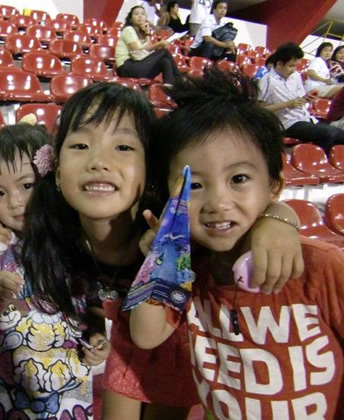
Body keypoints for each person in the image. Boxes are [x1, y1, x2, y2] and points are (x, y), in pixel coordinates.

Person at [0, 82, 304, 419]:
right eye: (80, 145)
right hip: (127, 346)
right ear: (58, 173)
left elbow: (247, 212)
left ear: (150, 171)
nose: (99, 161)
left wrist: (278, 219)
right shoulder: (56, 230)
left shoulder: (170, 223)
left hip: (179, 345)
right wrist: (1, 227)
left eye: (123, 146)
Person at [128, 68, 344, 419]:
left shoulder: (320, 266)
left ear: (274, 185)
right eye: (193, 185)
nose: (218, 202)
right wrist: (165, 249)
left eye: (239, 178)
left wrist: (279, 215)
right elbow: (146, 335)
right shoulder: (188, 272)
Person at [0, 122, 110, 419]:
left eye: (26, 185)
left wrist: (98, 338)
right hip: (6, 396)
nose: (14, 202)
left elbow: (93, 304)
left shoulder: (78, 242)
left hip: (68, 394)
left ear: (53, 178)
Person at [258, 42, 344, 152]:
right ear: (279, 64)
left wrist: (307, 99)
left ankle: (323, 157)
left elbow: (299, 99)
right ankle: (314, 157)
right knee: (329, 134)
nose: (294, 70)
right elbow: (260, 110)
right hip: (286, 123)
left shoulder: (295, 76)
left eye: (295, 66)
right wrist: (287, 104)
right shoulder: (266, 81)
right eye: (291, 66)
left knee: (340, 135)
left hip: (305, 117)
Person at [116, 5, 182, 84]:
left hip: (136, 65)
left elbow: (147, 48)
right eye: (136, 14)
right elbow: (137, 51)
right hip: (126, 67)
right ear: (130, 19)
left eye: (143, 14)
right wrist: (159, 44)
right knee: (164, 51)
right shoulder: (128, 30)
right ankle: (180, 80)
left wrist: (147, 32)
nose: (140, 16)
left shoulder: (140, 33)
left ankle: (169, 87)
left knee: (165, 62)